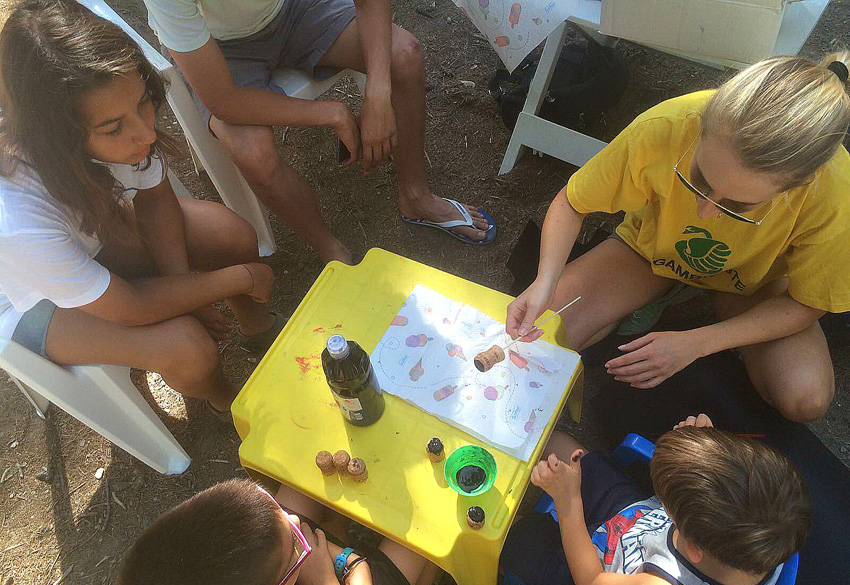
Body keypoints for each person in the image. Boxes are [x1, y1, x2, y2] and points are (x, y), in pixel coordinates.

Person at [505, 53, 850, 423]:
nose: (705, 213)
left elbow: (808, 303)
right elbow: (573, 202)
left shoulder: (836, 193)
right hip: (648, 253)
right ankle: (665, 293)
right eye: (698, 179)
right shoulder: (668, 124)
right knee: (533, 347)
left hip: (756, 283)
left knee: (806, 398)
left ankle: (710, 309)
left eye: (738, 205)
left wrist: (698, 342)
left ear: (800, 184)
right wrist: (546, 280)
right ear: (701, 126)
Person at [0, 0, 284, 420]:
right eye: (115, 127)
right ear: (58, 137)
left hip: (87, 232)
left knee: (233, 236)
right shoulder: (18, 223)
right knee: (187, 349)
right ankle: (226, 400)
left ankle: (257, 329)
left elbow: (155, 203)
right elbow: (130, 305)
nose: (146, 132)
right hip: (30, 302)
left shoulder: (104, 116)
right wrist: (235, 280)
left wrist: (184, 285)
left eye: (142, 102)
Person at [141, 0, 497, 260]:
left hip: (293, 9)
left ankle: (417, 197)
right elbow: (224, 100)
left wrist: (377, 92)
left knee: (403, 54)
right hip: (216, 47)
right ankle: (329, 248)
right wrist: (332, 114)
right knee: (252, 151)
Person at [501, 415, 812, 585]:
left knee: (512, 541)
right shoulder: (770, 530)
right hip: (635, 525)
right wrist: (703, 451)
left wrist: (568, 501)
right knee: (565, 450)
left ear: (690, 545)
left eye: (669, 502)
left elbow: (591, 583)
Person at [117, 478, 435, 585]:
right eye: (291, 555)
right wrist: (325, 583)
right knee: (426, 529)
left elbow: (289, 525)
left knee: (299, 483)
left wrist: (346, 560)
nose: (294, 522)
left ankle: (330, 534)